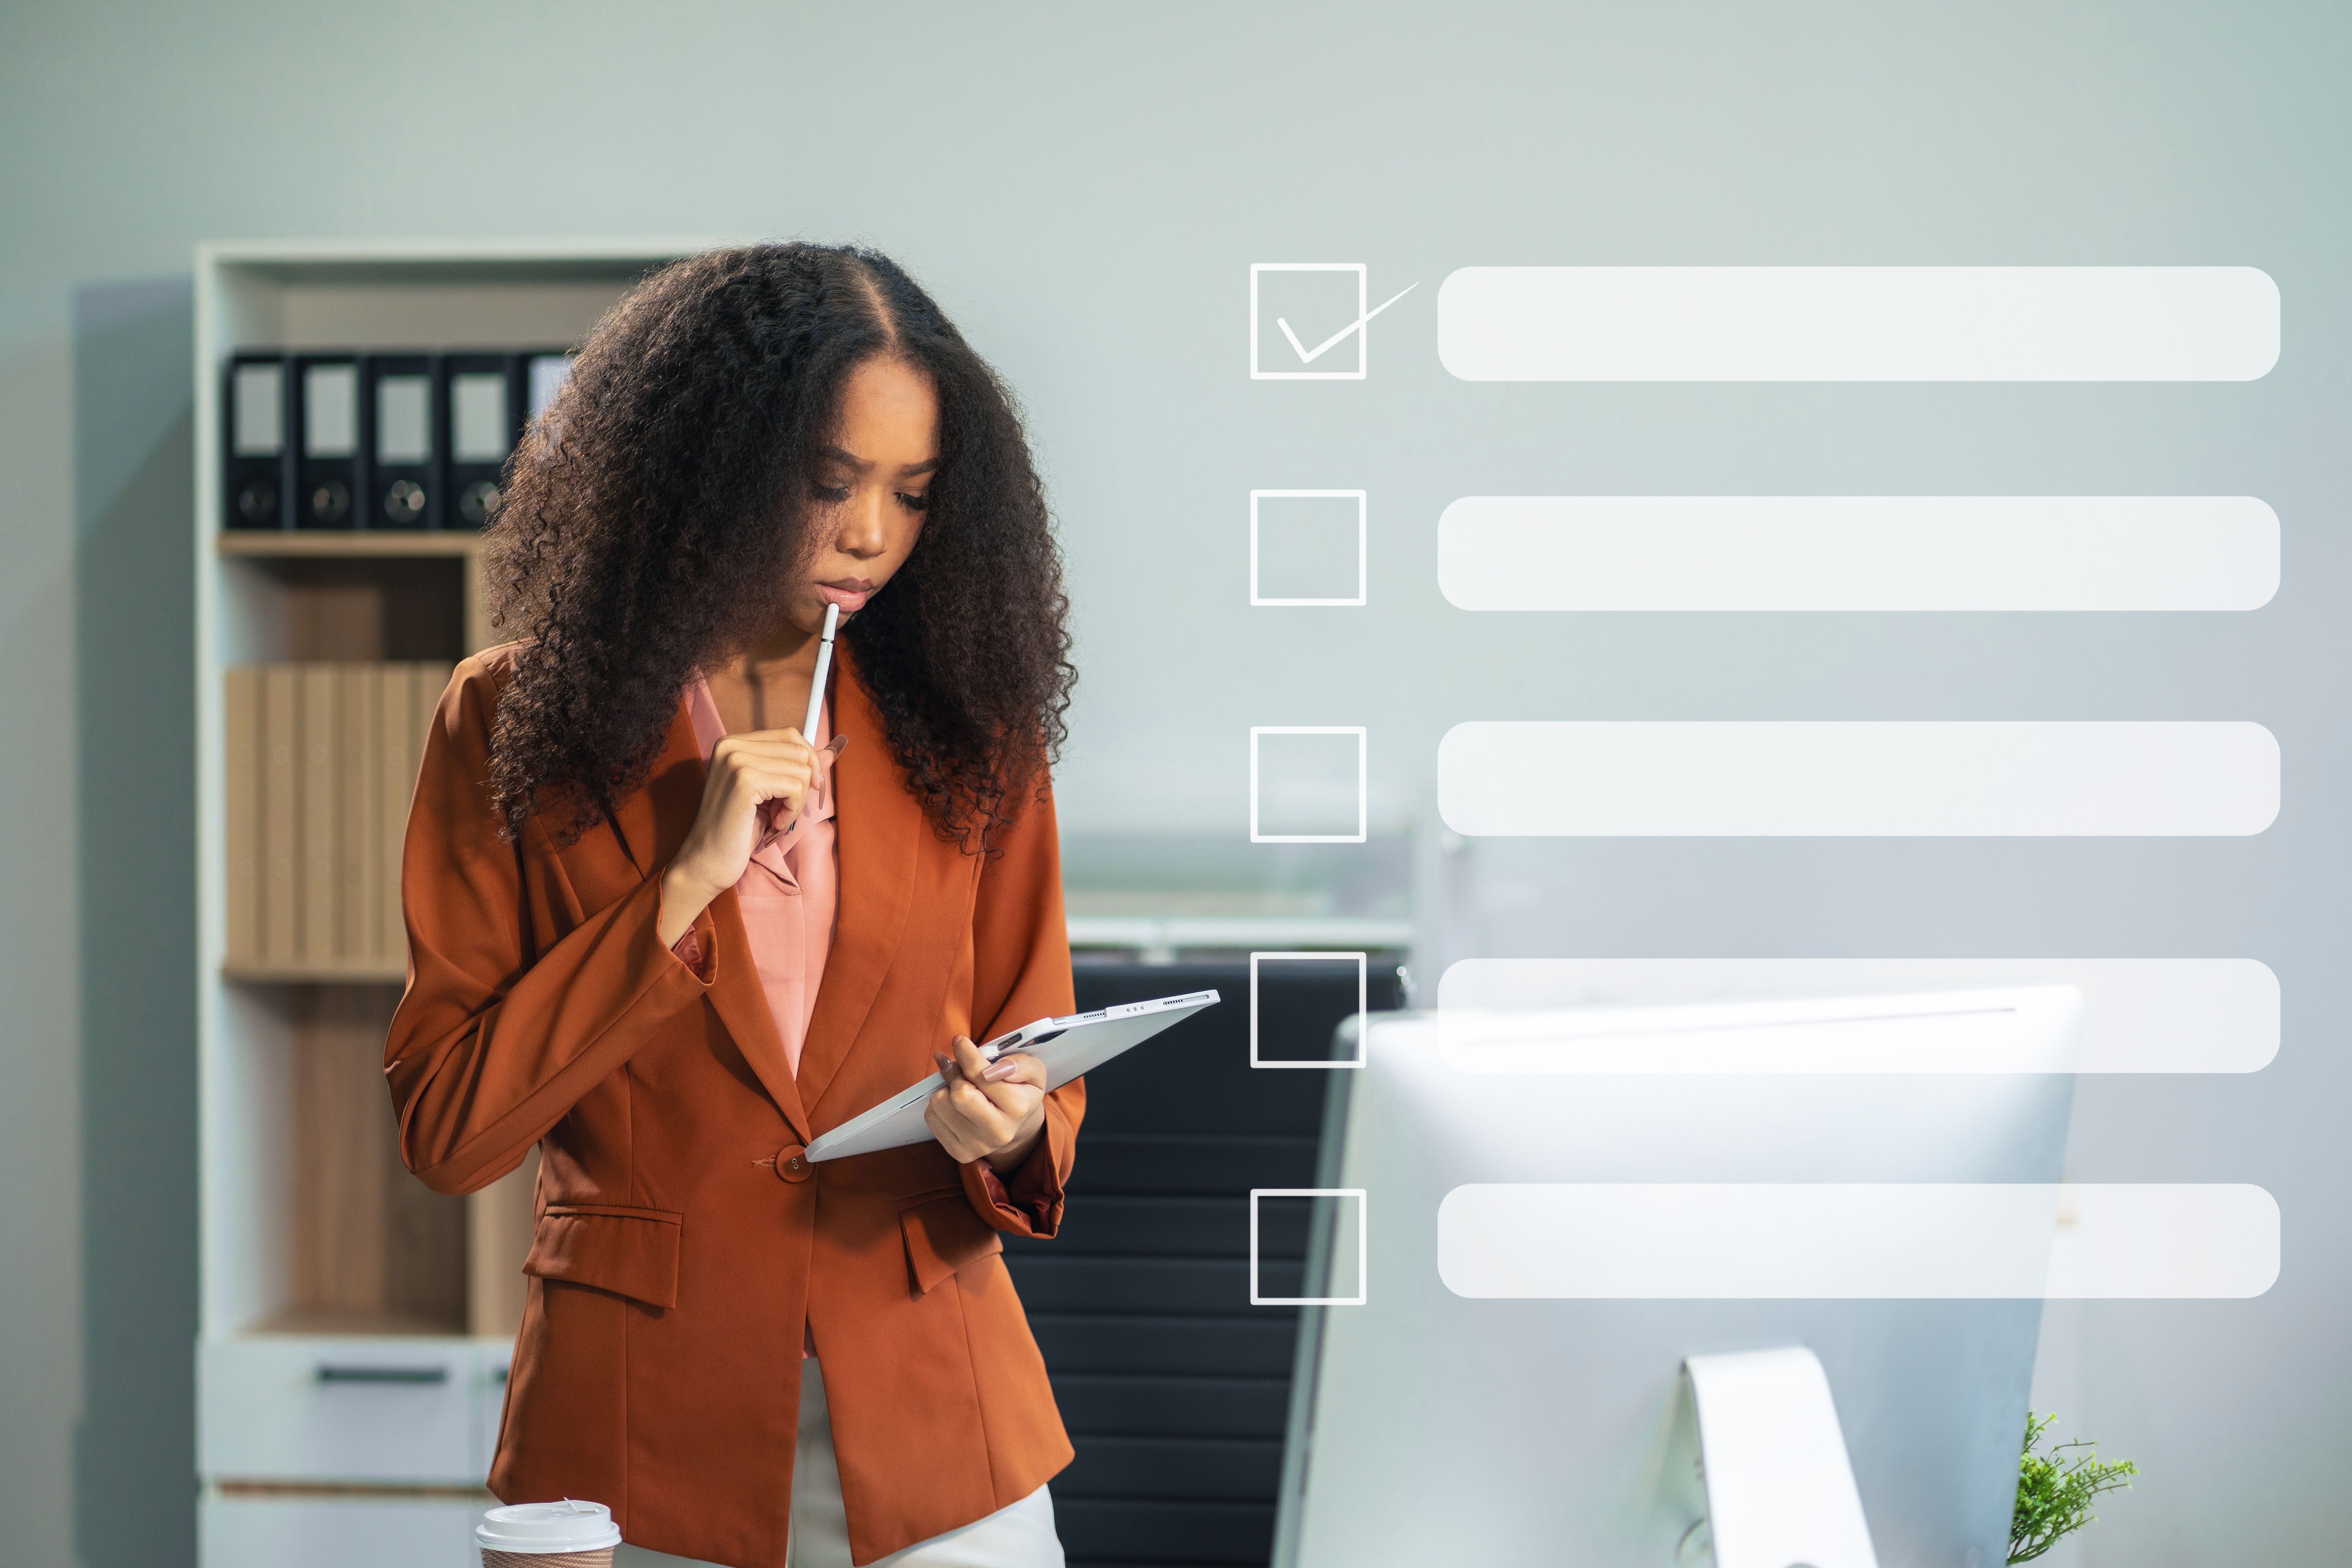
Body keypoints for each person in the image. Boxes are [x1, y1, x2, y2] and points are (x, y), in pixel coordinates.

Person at [383, 242, 1081, 1568]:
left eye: (913, 494)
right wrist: (680, 890)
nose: (871, 534)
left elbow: (1036, 1046)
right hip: (641, 1442)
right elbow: (448, 1130)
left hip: (942, 1432)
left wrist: (1010, 1130)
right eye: (829, 483)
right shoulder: (510, 718)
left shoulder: (975, 726)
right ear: (713, 466)